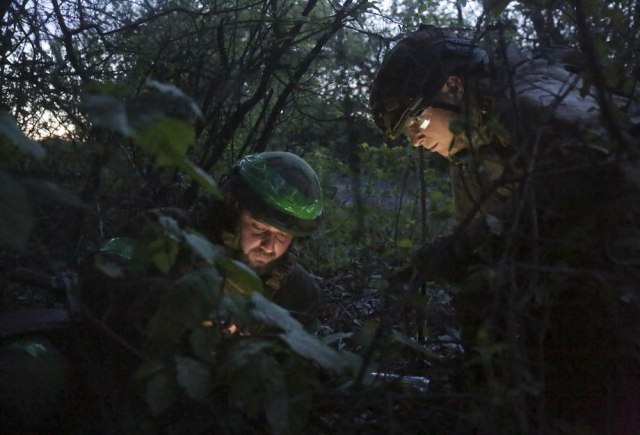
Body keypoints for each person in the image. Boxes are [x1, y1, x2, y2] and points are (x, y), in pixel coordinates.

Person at [370, 24, 640, 433]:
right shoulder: (472, 148)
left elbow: (603, 177)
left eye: (418, 122)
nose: (415, 141)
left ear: (454, 87)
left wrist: (460, 249)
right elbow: (487, 262)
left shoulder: (532, 102)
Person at [202, 150, 325, 328]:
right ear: (233, 214)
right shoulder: (178, 238)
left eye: (282, 235)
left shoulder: (300, 292)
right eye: (259, 228)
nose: (269, 246)